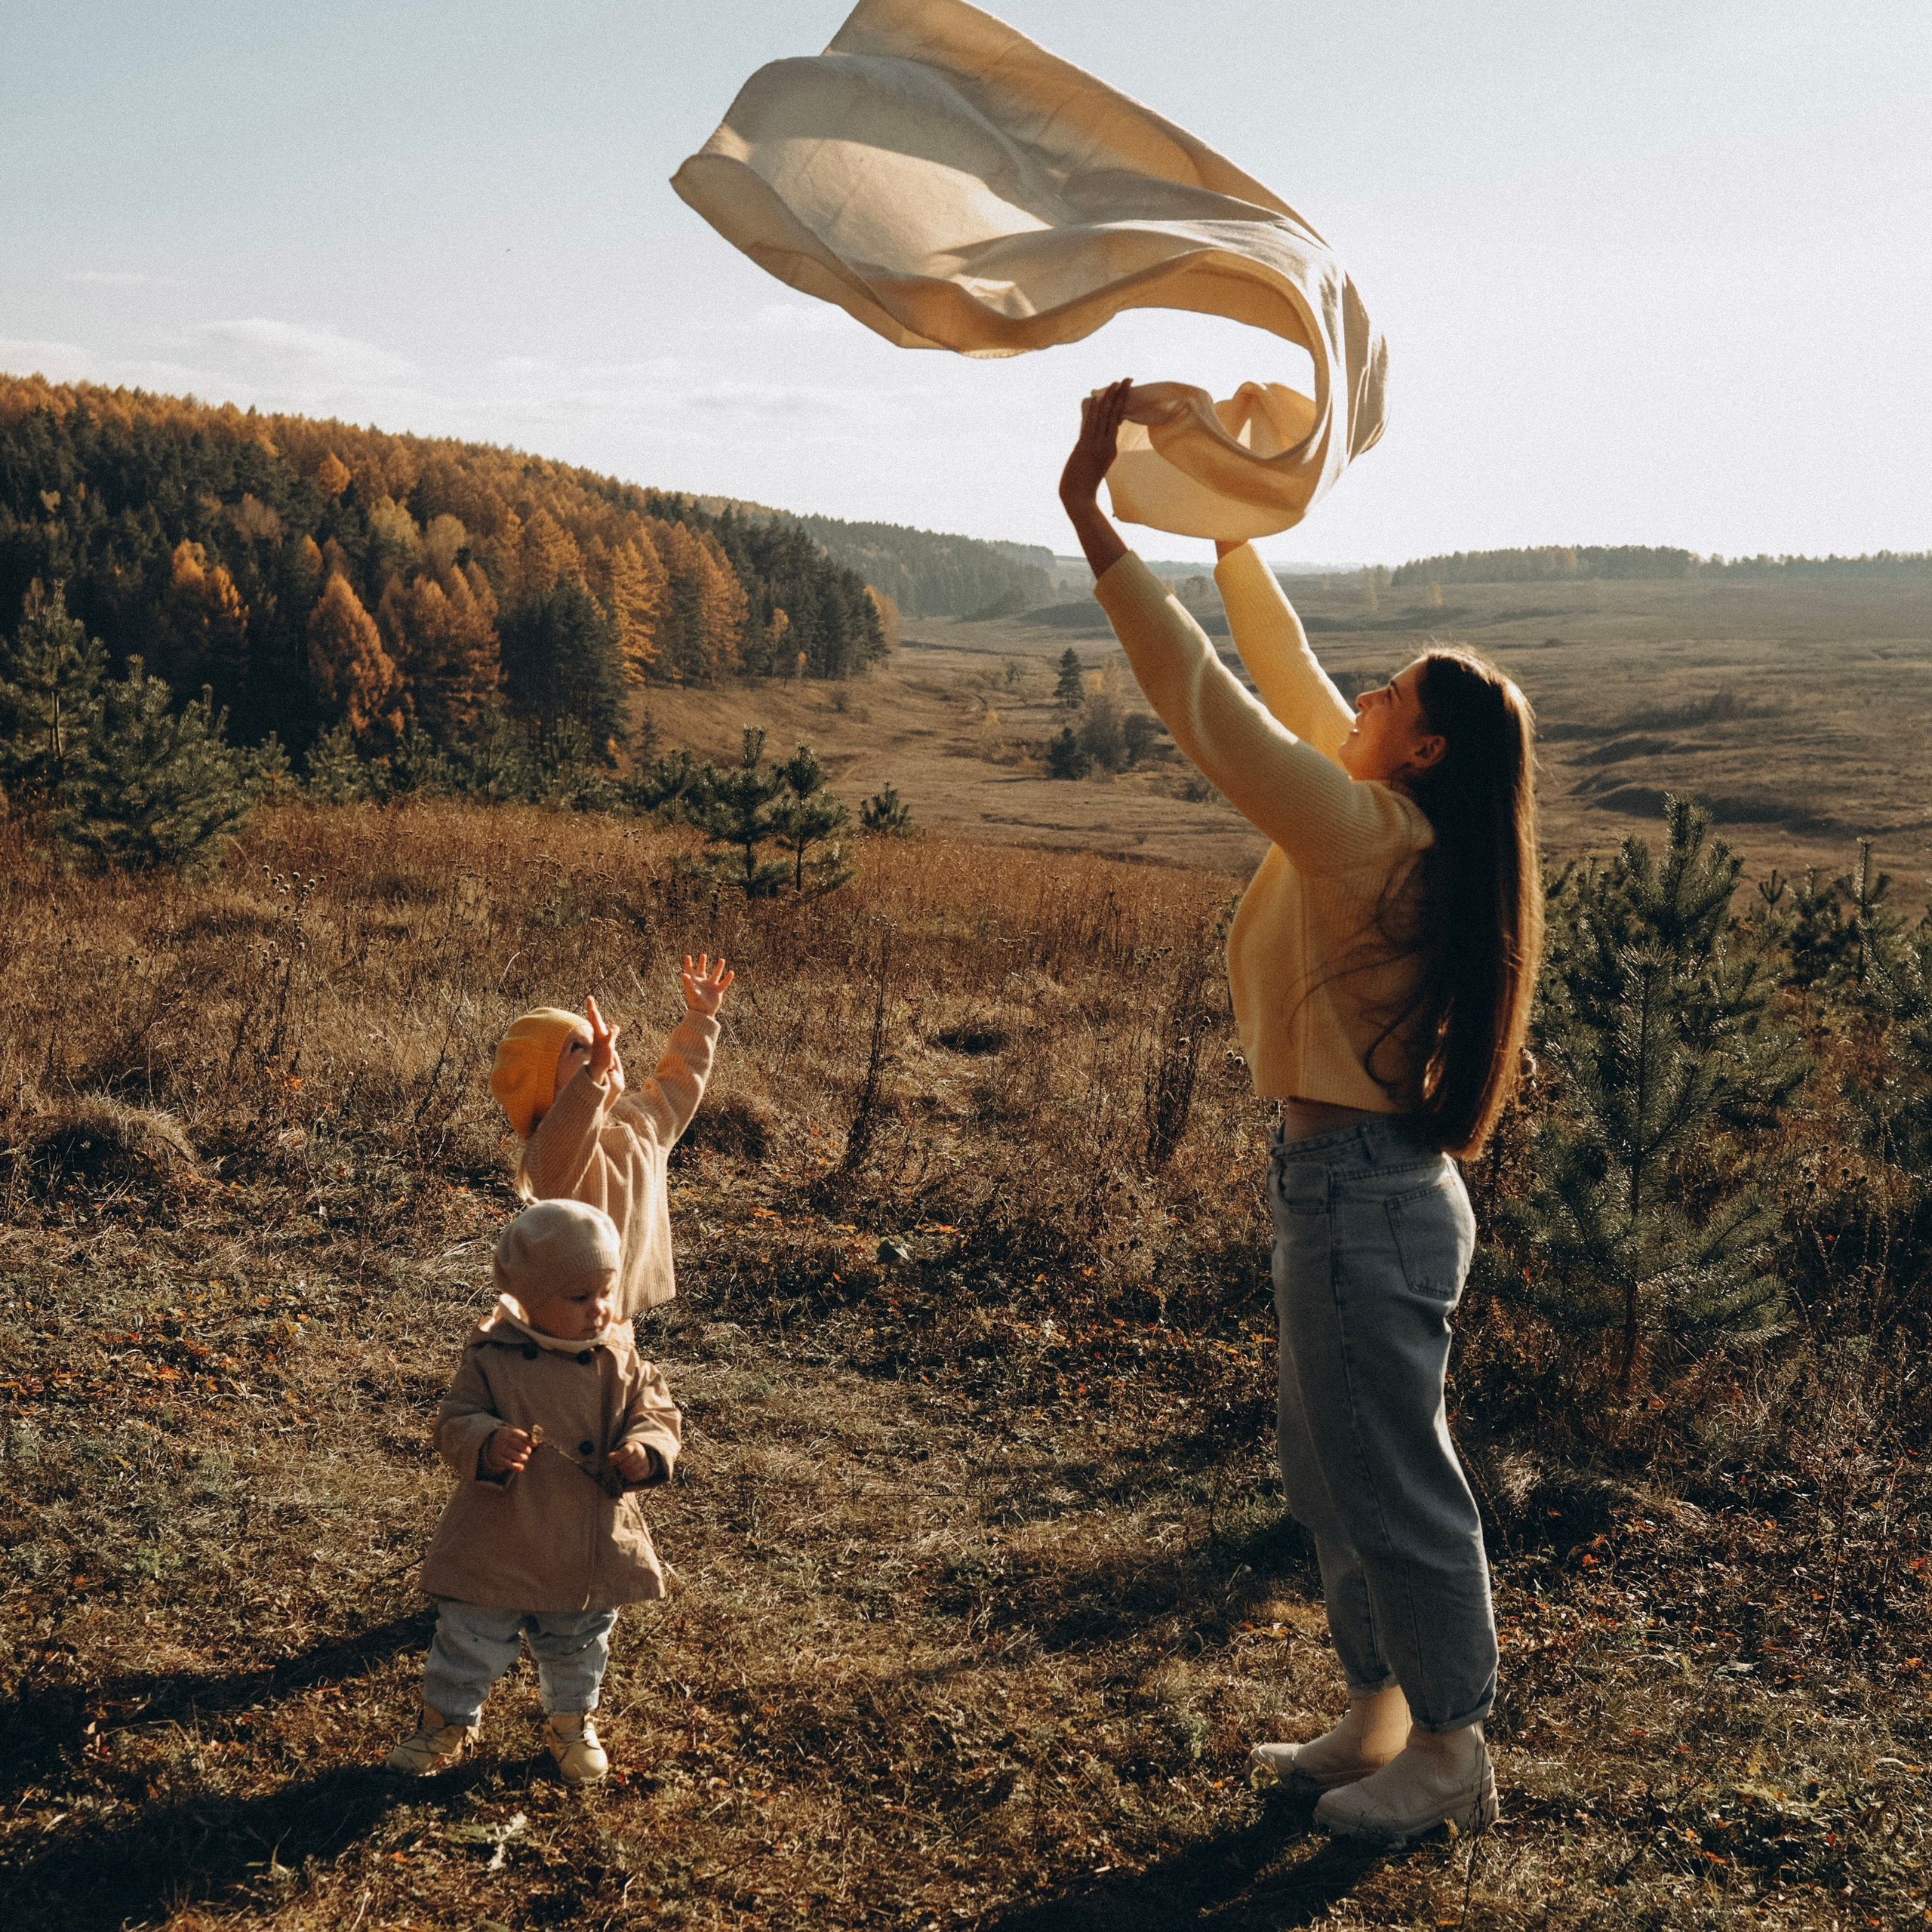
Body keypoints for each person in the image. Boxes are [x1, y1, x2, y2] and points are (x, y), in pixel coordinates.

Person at [1060, 380, 1542, 1847]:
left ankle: (1449, 1745)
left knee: (1393, 1485)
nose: (1363, 697)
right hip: (1340, 1190)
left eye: (1388, 695)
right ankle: (1382, 1711)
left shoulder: (1362, 836)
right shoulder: (1388, 812)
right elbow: (1274, 657)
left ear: (1422, 750)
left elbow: (1211, 701)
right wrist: (1227, 517)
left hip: (1363, 1204)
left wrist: (1092, 513)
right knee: (1330, 1472)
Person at [386, 1198, 684, 1785]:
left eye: (606, 1291)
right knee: (469, 1635)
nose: (600, 1309)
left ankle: (570, 1721)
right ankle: (445, 1721)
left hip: (587, 1537)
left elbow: (658, 1412)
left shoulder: (618, 1358)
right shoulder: (492, 1355)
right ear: (527, 1298)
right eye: (579, 1298)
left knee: (579, 1641)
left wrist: (645, 1451)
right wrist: (486, 1440)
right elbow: (453, 1421)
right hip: (502, 1532)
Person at [489, 954, 735, 1321]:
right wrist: (595, 1078)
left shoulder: (638, 1123)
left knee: (616, 1375)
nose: (603, 1051)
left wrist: (701, 1017)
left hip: (617, 1315)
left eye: (601, 1044)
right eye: (580, 1048)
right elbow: (569, 1128)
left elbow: (677, 1083)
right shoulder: (552, 1152)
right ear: (545, 1092)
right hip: (559, 1325)